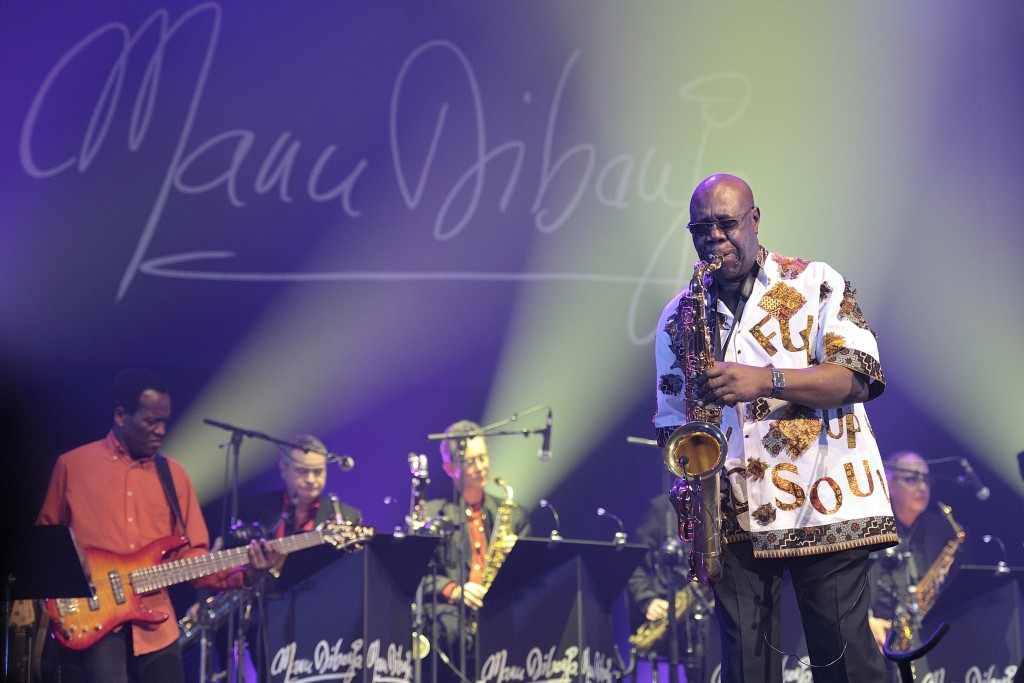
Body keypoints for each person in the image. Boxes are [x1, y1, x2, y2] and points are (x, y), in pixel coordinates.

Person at [653, 174, 898, 683]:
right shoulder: (680, 315)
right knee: (747, 667)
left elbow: (858, 377)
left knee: (845, 661)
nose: (714, 239)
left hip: (824, 497)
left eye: (726, 224)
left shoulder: (815, 283)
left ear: (754, 220)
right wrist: (696, 512)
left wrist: (764, 380)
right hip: (733, 509)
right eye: (701, 229)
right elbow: (673, 425)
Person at [35, 368, 280, 683]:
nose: (161, 430)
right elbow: (42, 544)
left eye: (165, 420)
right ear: (121, 415)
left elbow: (193, 557)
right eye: (151, 421)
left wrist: (247, 573)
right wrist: (68, 567)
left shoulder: (174, 475)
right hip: (91, 622)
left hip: (156, 629)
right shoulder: (73, 466)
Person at [195, 433, 363, 679]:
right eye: (303, 471)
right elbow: (219, 557)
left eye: (318, 472)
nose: (312, 480)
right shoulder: (254, 509)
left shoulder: (346, 516)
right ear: (283, 468)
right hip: (262, 618)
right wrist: (204, 600)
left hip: (322, 617)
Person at [418, 420, 532, 682]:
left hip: (503, 611)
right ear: (450, 468)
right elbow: (417, 577)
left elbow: (534, 574)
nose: (481, 467)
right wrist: (456, 590)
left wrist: (518, 556)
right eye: (471, 461)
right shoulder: (434, 516)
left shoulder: (514, 515)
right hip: (454, 622)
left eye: (483, 457)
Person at [868, 451, 969, 680]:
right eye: (912, 479)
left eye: (926, 479)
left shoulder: (942, 530)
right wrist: (865, 621)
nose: (922, 486)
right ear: (890, 485)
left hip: (927, 639)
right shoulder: (872, 529)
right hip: (878, 638)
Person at [627, 494, 716, 682]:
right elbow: (634, 565)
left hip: (711, 611)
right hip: (672, 612)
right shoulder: (661, 509)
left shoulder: (717, 501)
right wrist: (648, 600)